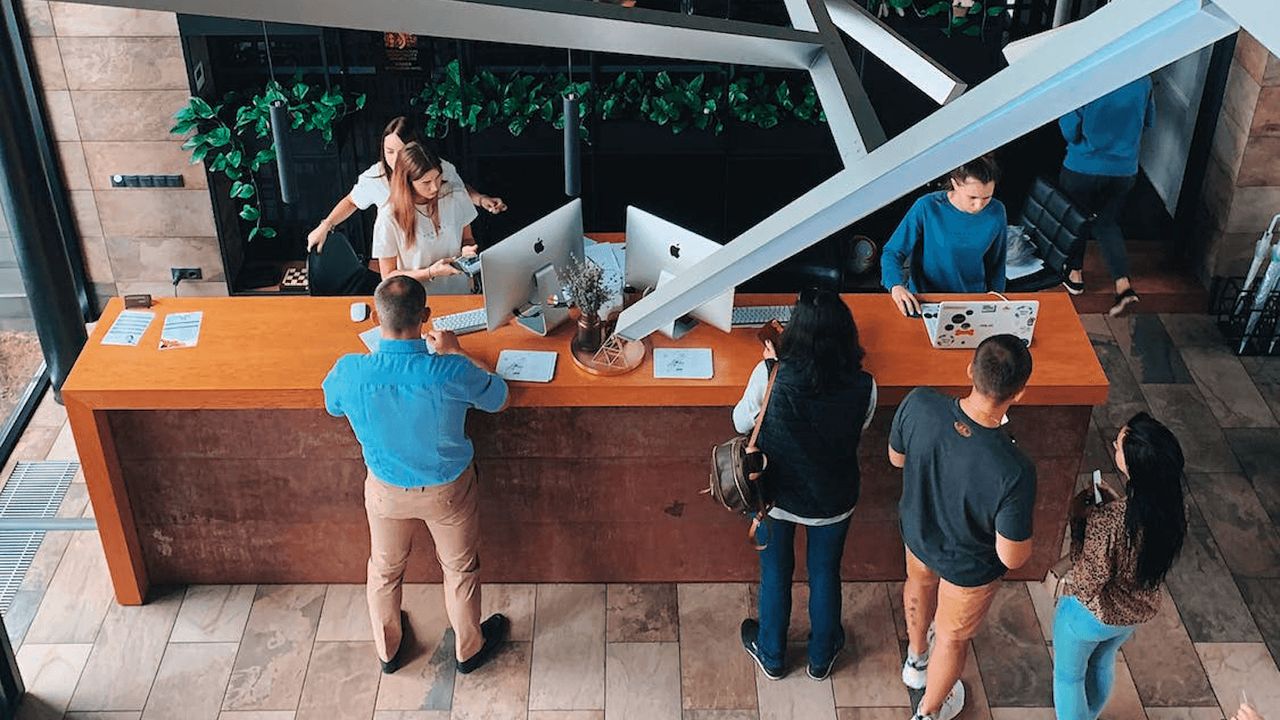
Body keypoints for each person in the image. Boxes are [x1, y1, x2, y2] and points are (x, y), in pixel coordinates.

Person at [322, 276, 511, 675]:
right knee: (459, 569)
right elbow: (498, 397)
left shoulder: (351, 370)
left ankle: (388, 650)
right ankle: (468, 649)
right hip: (447, 491)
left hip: (387, 491)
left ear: (376, 316)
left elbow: (333, 406)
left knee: (384, 569)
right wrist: (459, 352)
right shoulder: (449, 371)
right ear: (425, 317)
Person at [733, 288, 877, 681]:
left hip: (774, 496)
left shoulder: (770, 374)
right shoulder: (866, 384)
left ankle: (773, 654)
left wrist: (770, 369)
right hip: (833, 498)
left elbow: (741, 423)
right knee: (826, 572)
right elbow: (858, 427)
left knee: (776, 571)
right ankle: (821, 655)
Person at [889, 334, 1036, 720]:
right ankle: (928, 712)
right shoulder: (1014, 469)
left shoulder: (919, 402)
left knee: (918, 584)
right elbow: (1012, 556)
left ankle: (915, 659)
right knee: (952, 639)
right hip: (969, 568)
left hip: (919, 534)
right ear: (1019, 394)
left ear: (970, 369)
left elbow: (896, 458)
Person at [1053, 414, 1187, 720]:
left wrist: (1079, 523)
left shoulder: (1110, 522)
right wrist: (1118, 504)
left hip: (1092, 615)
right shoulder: (1175, 508)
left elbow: (1087, 582)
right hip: (1135, 612)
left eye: (1119, 445)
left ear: (1133, 466)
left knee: (1069, 677)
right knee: (1101, 662)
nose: (1114, 445)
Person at [306, 116, 506, 253]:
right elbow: (352, 201)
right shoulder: (376, 179)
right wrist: (326, 225)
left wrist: (480, 199)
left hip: (442, 249)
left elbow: (456, 189)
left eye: (401, 152)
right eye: (389, 151)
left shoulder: (439, 169)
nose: (394, 159)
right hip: (406, 257)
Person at [1057, 76, 1155, 316]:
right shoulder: (1143, 80)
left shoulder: (1088, 80)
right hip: (1124, 170)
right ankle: (1123, 285)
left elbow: (1069, 130)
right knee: (1106, 222)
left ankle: (1075, 274)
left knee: (1076, 219)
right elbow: (1149, 121)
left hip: (1082, 166)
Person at [881, 156, 1008, 317]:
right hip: (925, 301)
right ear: (955, 183)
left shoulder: (997, 211)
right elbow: (892, 252)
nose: (979, 206)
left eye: (986, 198)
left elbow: (996, 264)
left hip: (973, 300)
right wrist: (896, 286)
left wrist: (996, 303)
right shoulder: (926, 207)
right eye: (972, 198)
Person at [373, 141, 486, 295]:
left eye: (438, 178)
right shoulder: (389, 216)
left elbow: (467, 239)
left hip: (461, 292)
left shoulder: (455, 195)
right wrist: (430, 272)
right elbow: (388, 276)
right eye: (426, 182)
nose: (435, 187)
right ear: (407, 183)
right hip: (417, 300)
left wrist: (467, 251)